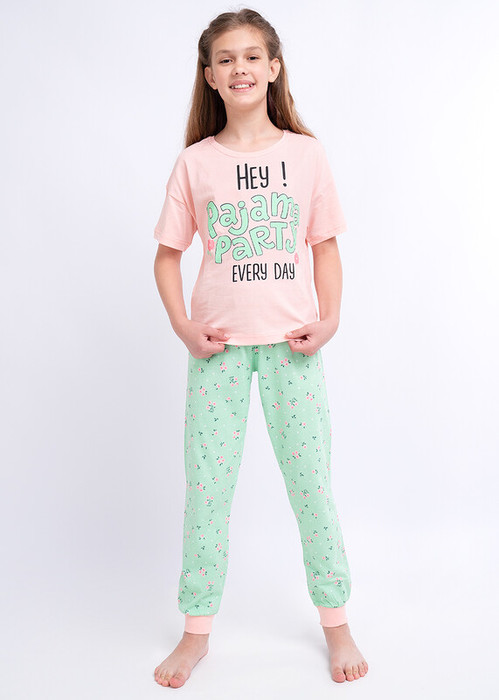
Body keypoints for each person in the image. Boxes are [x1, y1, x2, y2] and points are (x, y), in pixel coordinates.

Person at [152, 7, 368, 688]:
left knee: (311, 487)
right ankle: (196, 631)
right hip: (217, 353)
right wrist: (183, 325)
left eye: (252, 56)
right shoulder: (196, 163)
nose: (239, 67)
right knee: (207, 491)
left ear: (273, 68)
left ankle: (336, 622)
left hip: (292, 349)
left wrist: (330, 319)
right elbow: (166, 257)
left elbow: (324, 246)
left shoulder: (305, 155)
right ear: (210, 76)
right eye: (225, 59)